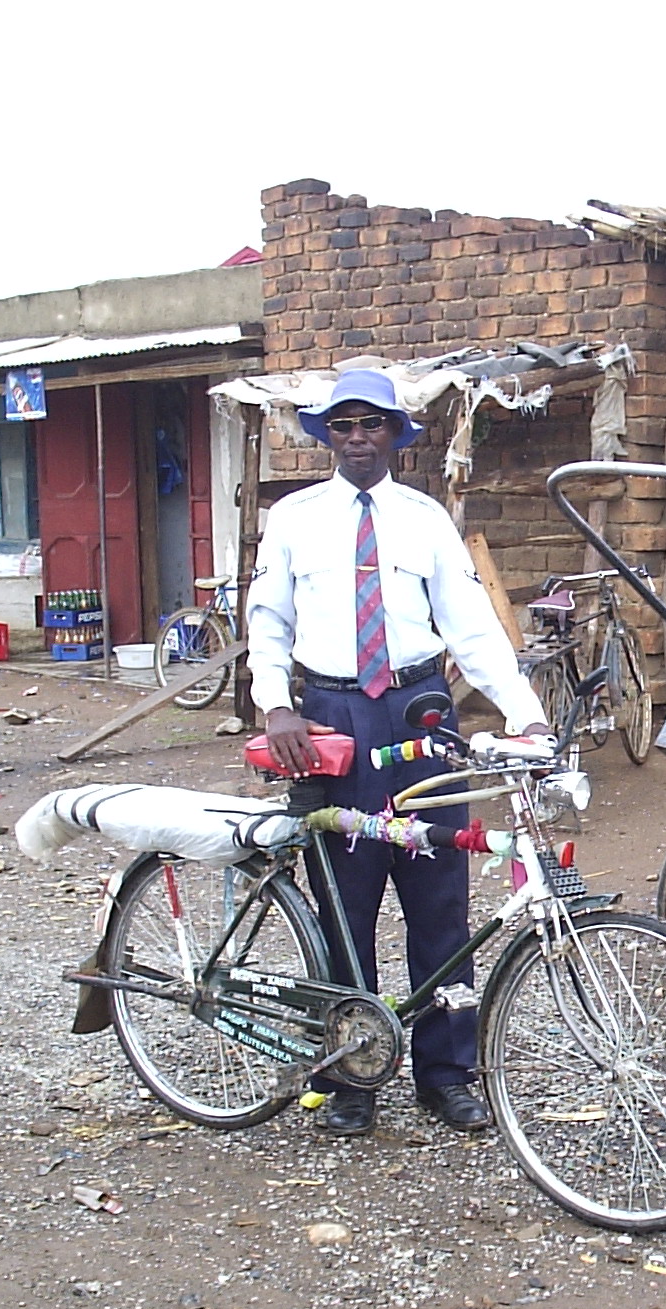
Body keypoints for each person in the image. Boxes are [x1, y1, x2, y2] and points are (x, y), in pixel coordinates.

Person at [250, 370, 550, 1135]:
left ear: (396, 435)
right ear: (327, 437)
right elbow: (267, 619)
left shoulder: (424, 520)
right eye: (342, 426)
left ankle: (446, 1073)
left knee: (440, 901)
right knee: (344, 905)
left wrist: (526, 716)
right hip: (330, 716)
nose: (356, 438)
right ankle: (353, 1074)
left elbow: (472, 627)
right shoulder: (292, 519)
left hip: (422, 712)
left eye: (371, 425)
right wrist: (277, 704)